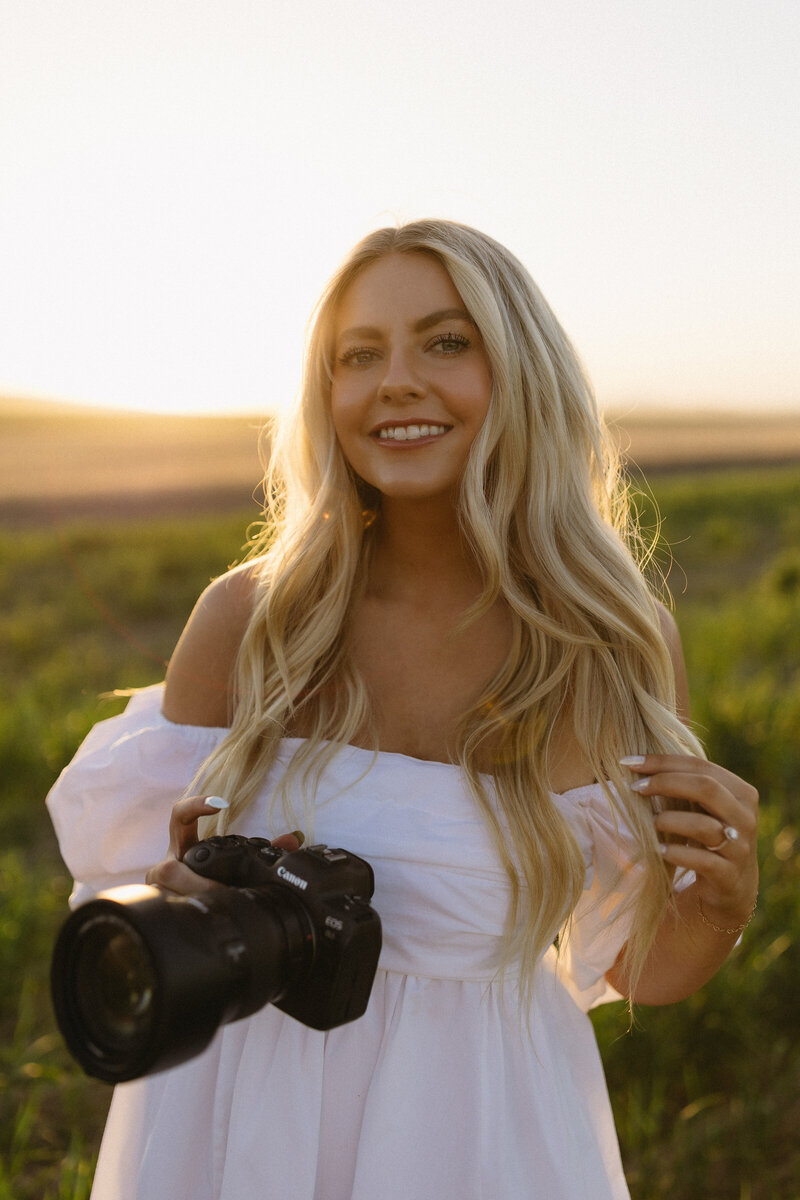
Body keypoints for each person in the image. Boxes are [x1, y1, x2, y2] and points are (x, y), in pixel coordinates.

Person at [47, 219, 759, 1200]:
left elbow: (636, 968)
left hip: (481, 1135)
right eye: (358, 355)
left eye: (444, 341)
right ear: (325, 393)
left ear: (521, 369)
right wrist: (179, 894)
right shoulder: (251, 620)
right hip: (236, 1125)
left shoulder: (610, 647)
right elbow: (129, 937)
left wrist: (717, 908)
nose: (394, 382)